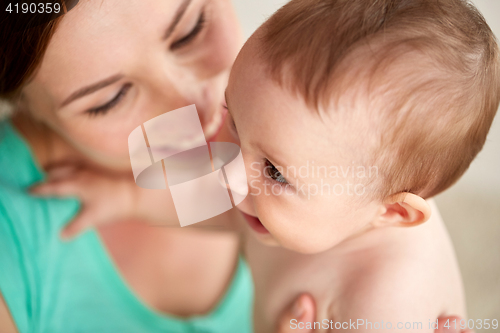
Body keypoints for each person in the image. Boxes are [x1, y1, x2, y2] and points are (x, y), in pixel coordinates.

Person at [0, 0, 477, 332]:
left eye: (190, 29)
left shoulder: (387, 302)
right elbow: (226, 210)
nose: (201, 112)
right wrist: (126, 197)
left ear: (392, 213)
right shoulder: (303, 190)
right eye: (110, 98)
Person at [223, 0, 499, 331]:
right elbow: (165, 189)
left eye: (275, 172)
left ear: (392, 212)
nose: (229, 174)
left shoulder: (387, 308)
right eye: (234, 121)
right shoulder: (312, 179)